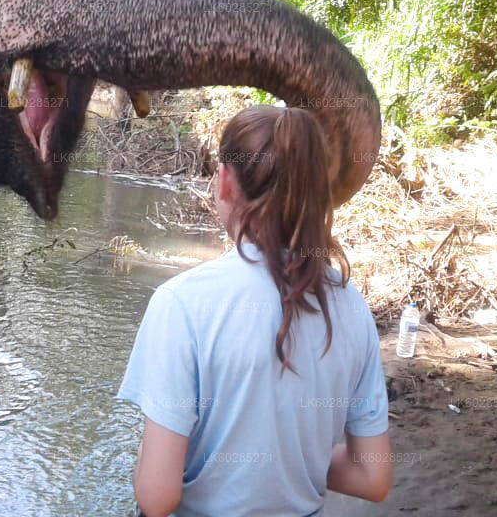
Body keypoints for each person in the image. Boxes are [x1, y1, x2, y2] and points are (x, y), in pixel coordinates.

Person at [118, 104, 393, 517]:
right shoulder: (350, 305)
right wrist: (295, 464)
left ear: (225, 182)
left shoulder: (181, 303)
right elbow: (373, 478)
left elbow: (157, 498)